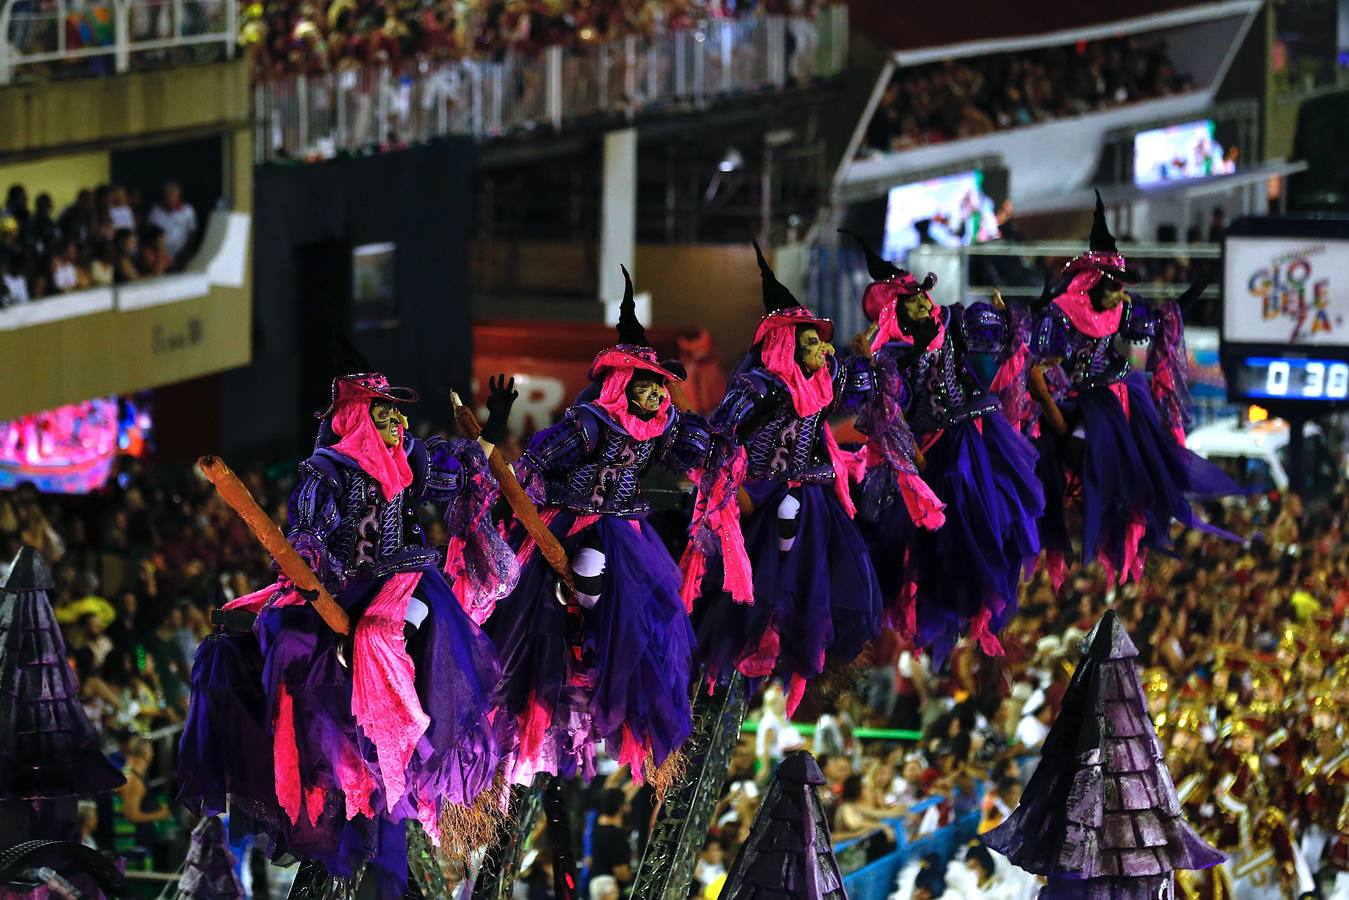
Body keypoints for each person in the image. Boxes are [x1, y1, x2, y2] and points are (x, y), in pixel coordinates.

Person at [179, 369, 519, 898]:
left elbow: (463, 469)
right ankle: (374, 741)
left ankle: (408, 734)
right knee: (308, 648)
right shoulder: (328, 471)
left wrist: (494, 423)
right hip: (345, 589)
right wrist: (312, 576)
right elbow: (308, 536)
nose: (397, 420)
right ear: (357, 418)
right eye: (383, 411)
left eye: (397, 411)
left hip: (406, 582)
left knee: (397, 632)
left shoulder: (411, 459)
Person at [485, 267, 711, 787]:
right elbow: (536, 467)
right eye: (647, 385)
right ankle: (577, 633)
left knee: (651, 609)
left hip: (628, 530)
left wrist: (697, 430)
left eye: (659, 387)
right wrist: (518, 505)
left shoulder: (662, 427)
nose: (655, 395)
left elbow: (692, 456)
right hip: (573, 522)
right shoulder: (588, 425)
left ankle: (598, 653)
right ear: (622, 384)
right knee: (587, 572)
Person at [685, 242, 882, 717]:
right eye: (810, 342)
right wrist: (728, 490)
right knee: (786, 521)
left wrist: (867, 357)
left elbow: (864, 392)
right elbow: (721, 438)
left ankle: (792, 609)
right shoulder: (757, 388)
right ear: (785, 345)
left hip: (811, 492)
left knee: (843, 557)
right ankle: (775, 605)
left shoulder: (826, 381)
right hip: (760, 492)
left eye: (820, 341)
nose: (821, 348)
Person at [844, 230, 1041, 664]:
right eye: (912, 301)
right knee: (933, 532)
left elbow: (989, 342)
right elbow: (887, 409)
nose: (922, 303)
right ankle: (955, 601)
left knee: (991, 508)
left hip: (968, 431)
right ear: (896, 311)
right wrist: (870, 362)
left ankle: (985, 588)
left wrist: (1006, 321)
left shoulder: (951, 322)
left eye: (922, 296)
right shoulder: (890, 356)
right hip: (926, 447)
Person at [1028, 193, 1239, 587]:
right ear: (1093, 281)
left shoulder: (1121, 307)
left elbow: (1155, 323)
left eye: (1121, 286)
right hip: (1072, 397)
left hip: (1117, 390)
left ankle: (1137, 520)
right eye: (1113, 285)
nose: (1119, 293)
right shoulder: (1059, 314)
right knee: (1080, 450)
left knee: (1151, 456)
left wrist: (1186, 300)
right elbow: (1040, 366)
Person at [589, 789, 633, 888]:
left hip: (596, 884)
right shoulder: (615, 834)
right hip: (610, 887)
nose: (629, 806)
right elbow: (621, 872)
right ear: (620, 807)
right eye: (626, 803)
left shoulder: (597, 825)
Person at [147, 181, 198, 265]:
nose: (171, 196)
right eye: (168, 193)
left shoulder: (188, 210)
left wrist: (185, 252)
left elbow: (192, 234)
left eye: (174, 193)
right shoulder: (155, 211)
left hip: (181, 256)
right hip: (160, 257)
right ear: (164, 194)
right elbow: (150, 234)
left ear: (179, 194)